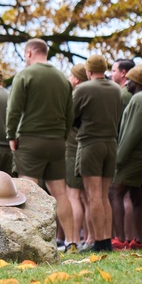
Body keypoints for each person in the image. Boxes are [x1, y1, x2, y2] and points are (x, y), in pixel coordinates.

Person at [5, 39, 76, 251]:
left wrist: (11, 135)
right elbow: (69, 114)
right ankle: (72, 240)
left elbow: (14, 109)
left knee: (28, 190)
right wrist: (61, 135)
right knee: (60, 193)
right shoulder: (63, 79)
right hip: (56, 141)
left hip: (30, 140)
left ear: (28, 53)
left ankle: (32, 241)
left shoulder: (25, 76)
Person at [73, 55, 123, 252]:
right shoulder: (116, 89)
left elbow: (71, 115)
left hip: (90, 143)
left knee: (93, 195)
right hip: (111, 143)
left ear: (88, 71)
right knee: (104, 195)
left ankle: (98, 242)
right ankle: (106, 240)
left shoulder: (83, 89)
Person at [110, 64, 142, 250]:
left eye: (129, 80)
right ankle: (139, 240)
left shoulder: (138, 101)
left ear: (135, 82)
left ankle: (120, 239)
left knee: (115, 191)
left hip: (136, 157)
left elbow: (132, 133)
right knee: (137, 196)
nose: (126, 83)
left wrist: (119, 159)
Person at [63, 64, 89, 250]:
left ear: (77, 79)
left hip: (73, 149)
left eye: (71, 75)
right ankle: (88, 238)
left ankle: (74, 239)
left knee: (74, 195)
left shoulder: (76, 96)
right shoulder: (90, 95)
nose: (69, 78)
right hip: (83, 148)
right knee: (86, 197)